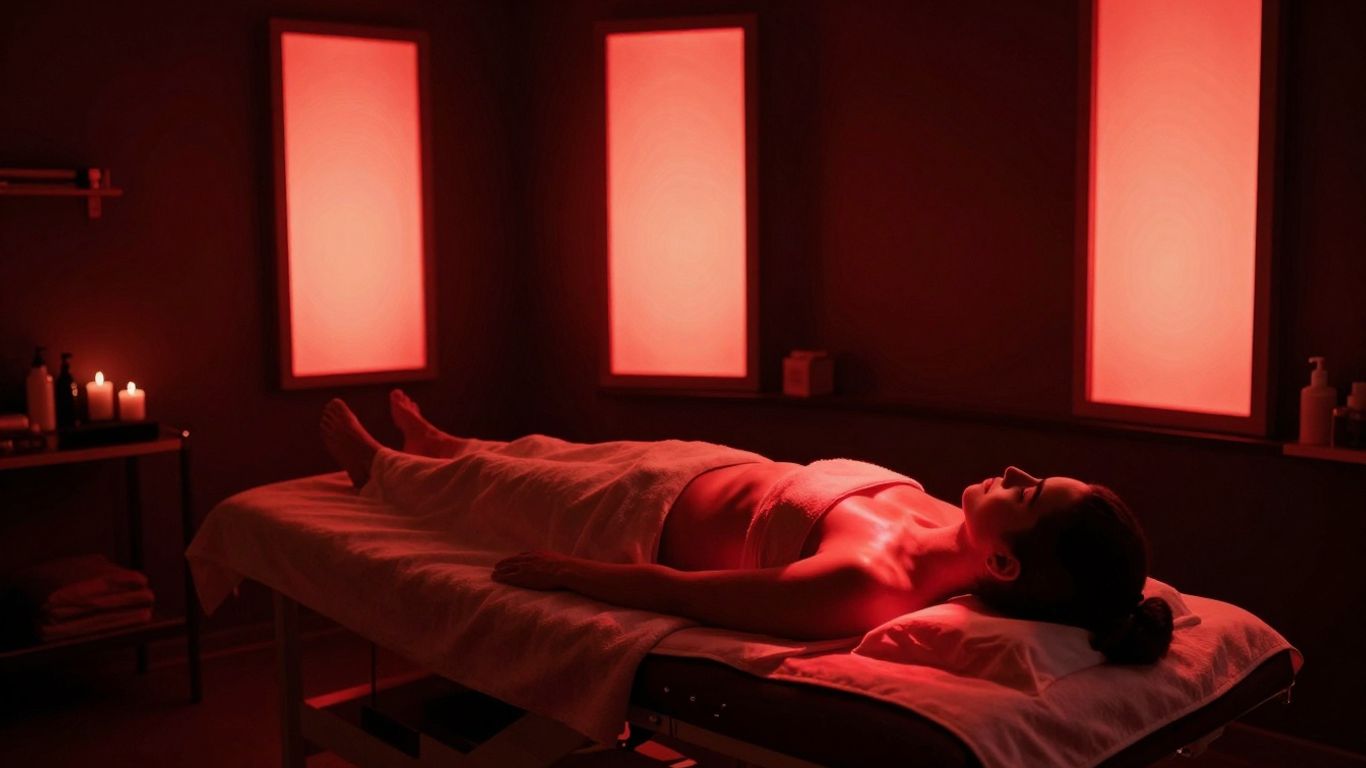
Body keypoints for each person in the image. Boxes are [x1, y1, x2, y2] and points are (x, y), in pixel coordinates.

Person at [321, 391, 1173, 663]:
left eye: (1027, 497)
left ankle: (385, 474)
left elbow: (698, 594)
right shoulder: (943, 516)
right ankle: (443, 442)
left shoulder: (869, 586)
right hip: (697, 464)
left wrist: (578, 576)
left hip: (635, 520)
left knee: (495, 491)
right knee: (542, 450)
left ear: (1005, 564)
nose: (1017, 474)